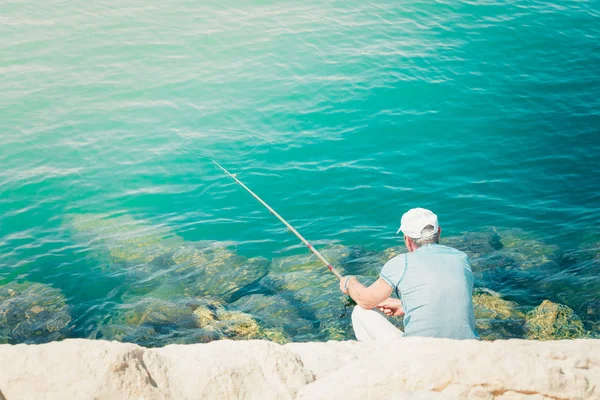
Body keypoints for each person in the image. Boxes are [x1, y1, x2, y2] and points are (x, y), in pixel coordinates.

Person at [340, 208, 478, 341]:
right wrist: (405, 306)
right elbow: (448, 300)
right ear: (439, 232)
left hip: (420, 354)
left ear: (407, 239)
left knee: (360, 312)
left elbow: (366, 301)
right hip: (467, 348)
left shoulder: (401, 263)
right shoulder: (461, 259)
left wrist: (350, 282)